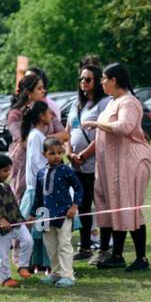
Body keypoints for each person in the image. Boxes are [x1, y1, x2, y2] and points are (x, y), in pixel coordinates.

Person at [86, 62, 151, 271]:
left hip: (131, 163)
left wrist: (97, 124)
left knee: (129, 207)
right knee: (114, 207)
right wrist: (84, 154)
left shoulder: (129, 102)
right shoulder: (112, 103)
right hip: (111, 165)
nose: (102, 83)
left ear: (114, 80)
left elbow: (124, 127)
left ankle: (141, 258)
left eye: (104, 78)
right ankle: (117, 255)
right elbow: (103, 136)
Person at [67, 62, 107, 262]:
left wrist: (83, 154)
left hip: (94, 164)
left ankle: (104, 247)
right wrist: (69, 152)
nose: (83, 82)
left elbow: (101, 135)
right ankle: (84, 246)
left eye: (88, 79)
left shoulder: (103, 104)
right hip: (75, 165)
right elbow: (69, 131)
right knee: (81, 206)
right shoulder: (76, 105)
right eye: (81, 79)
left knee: (100, 205)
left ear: (97, 81)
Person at [6, 71, 67, 200]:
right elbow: (24, 142)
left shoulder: (48, 111)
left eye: (43, 88)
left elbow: (65, 135)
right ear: (28, 93)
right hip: (24, 165)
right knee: (25, 203)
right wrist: (50, 141)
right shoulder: (15, 114)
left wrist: (42, 140)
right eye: (39, 88)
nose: (43, 91)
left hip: (51, 163)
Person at [31, 137, 83, 287]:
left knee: (64, 244)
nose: (56, 156)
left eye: (60, 153)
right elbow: (39, 196)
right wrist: (33, 213)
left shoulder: (66, 170)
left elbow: (79, 188)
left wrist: (74, 206)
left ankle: (68, 275)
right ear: (44, 154)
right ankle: (55, 273)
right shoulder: (41, 173)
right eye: (52, 153)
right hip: (46, 216)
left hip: (64, 214)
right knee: (51, 246)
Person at [0, 152, 32, 286]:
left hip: (16, 223)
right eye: (5, 170)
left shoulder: (7, 186)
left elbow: (14, 205)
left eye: (9, 170)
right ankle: (5, 279)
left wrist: (22, 220)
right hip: (1, 229)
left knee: (28, 241)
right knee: (3, 255)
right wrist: (0, 220)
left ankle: (22, 266)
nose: (8, 173)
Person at [21, 102, 53, 273]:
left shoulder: (37, 135)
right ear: (41, 115)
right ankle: (38, 263)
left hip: (41, 188)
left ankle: (40, 263)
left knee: (42, 228)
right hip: (39, 190)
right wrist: (48, 179)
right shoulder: (36, 136)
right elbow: (36, 162)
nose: (52, 115)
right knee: (40, 229)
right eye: (49, 112)